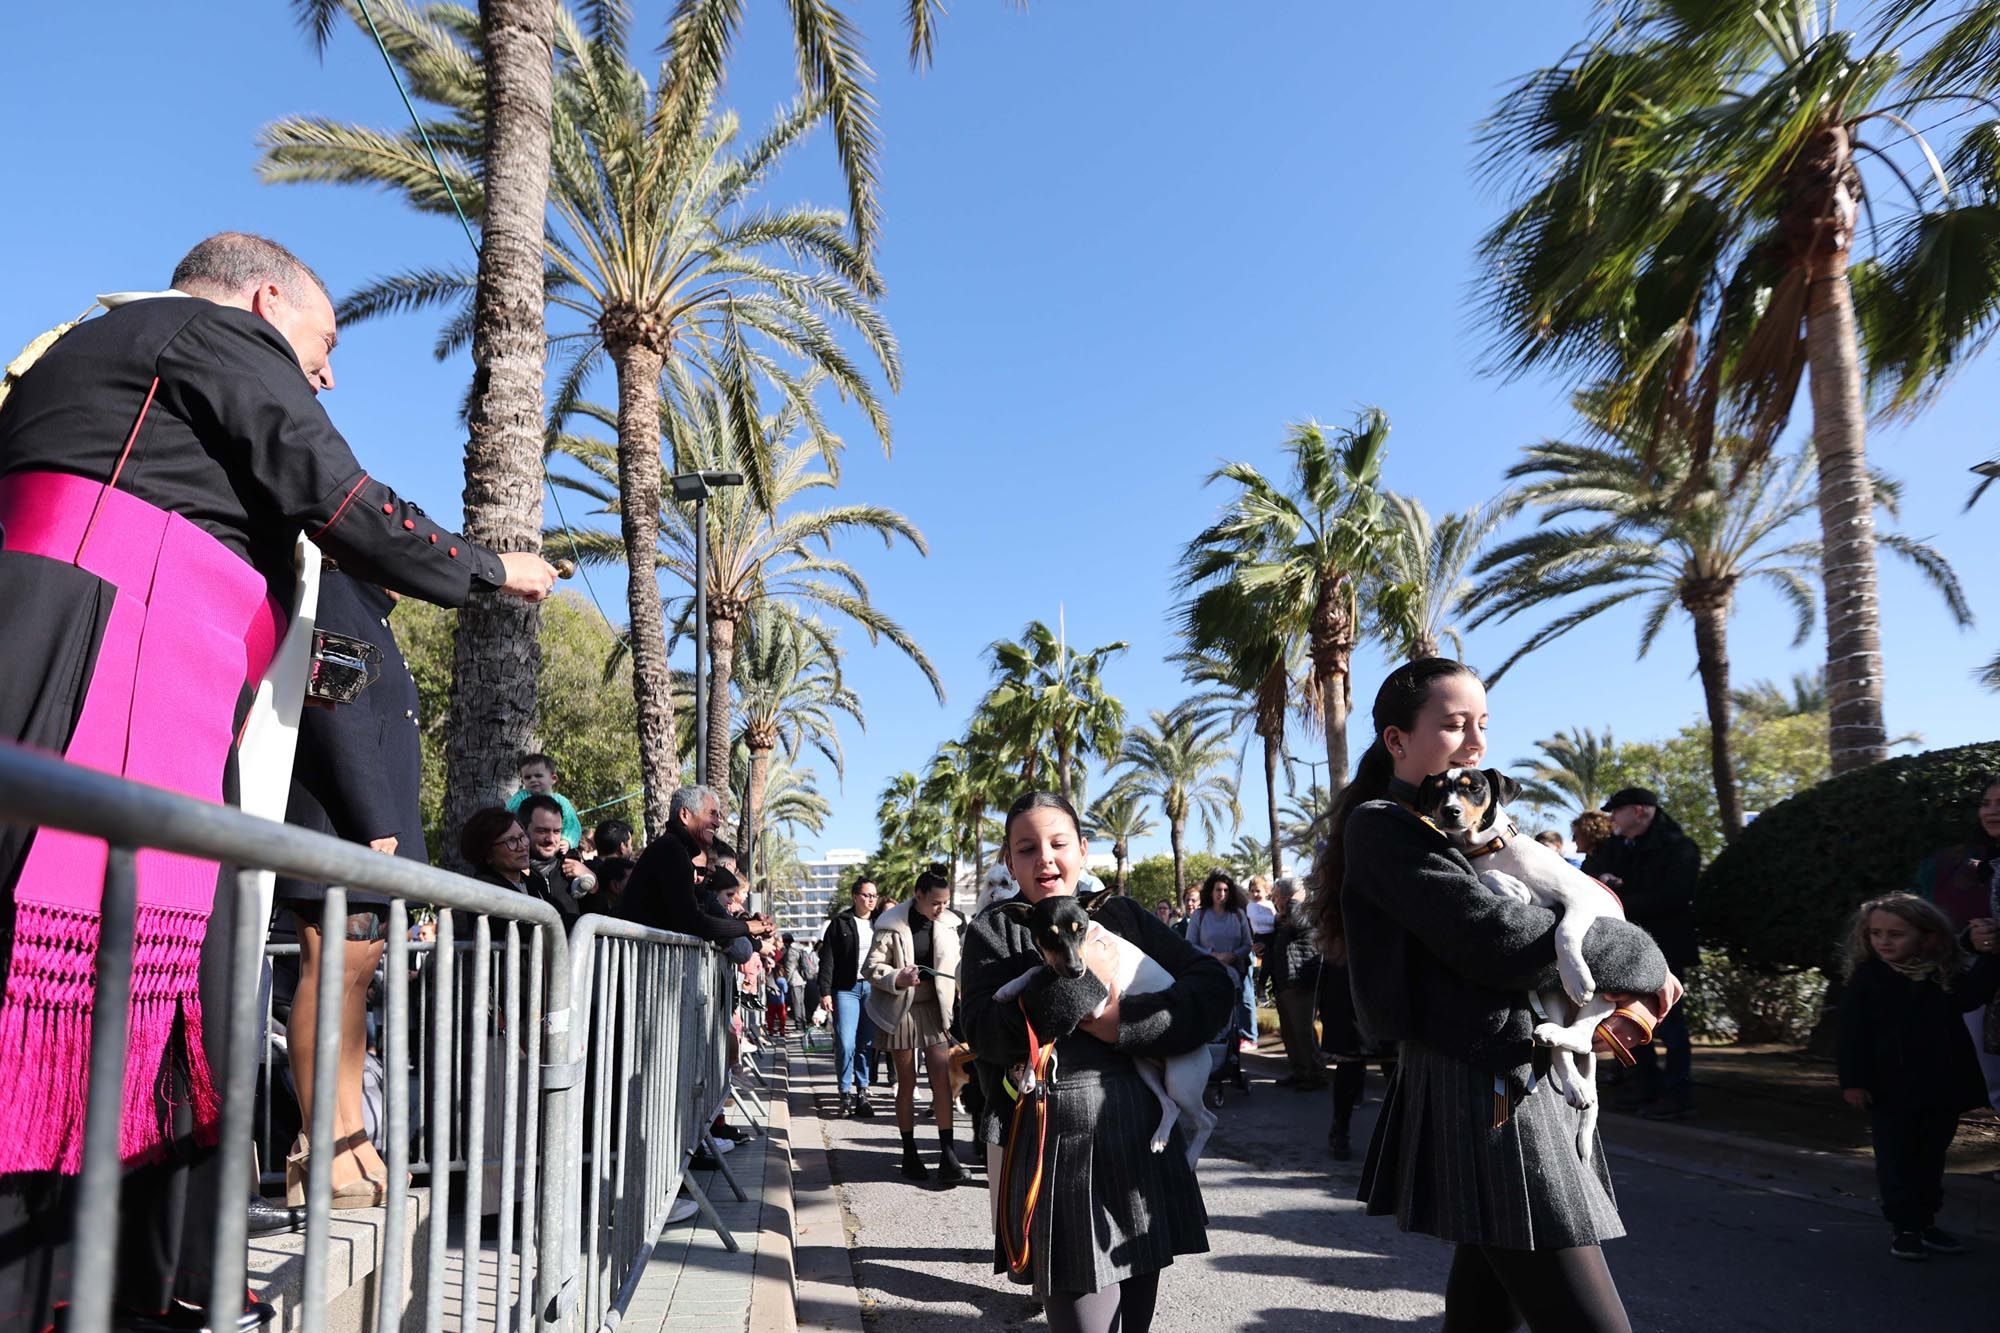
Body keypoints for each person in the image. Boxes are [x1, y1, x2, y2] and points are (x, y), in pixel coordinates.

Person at [0, 232, 556, 1333]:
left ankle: (143, 1284)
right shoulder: (211, 332)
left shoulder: (111, 351)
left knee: (182, 1011)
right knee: (70, 995)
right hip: (91, 683)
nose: (330, 372)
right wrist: (491, 566)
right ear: (265, 303)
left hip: (127, 693)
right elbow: (337, 492)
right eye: (325, 340)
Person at [1318, 657, 1682, 1332]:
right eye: (1454, 725)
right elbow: (1503, 941)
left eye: (1482, 723)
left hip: (1515, 1069)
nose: (1476, 740)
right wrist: (1644, 956)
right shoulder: (1387, 825)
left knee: (1488, 1304)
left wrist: (1623, 949)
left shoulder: (1458, 831)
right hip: (1486, 1080)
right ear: (1397, 740)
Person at [963, 793, 1233, 1333]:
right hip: (1056, 1144)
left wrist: (1125, 1026)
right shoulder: (994, 930)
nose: (1044, 858)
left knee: (1134, 1322)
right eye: (1026, 848)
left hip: (1138, 1136)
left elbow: (1211, 987)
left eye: (1059, 843)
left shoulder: (1121, 913)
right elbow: (986, 1035)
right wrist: (1084, 985)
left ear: (1083, 851)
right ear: (1009, 862)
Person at [274, 567, 425, 1209]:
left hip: (364, 837)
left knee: (355, 987)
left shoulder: (370, 613)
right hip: (341, 830)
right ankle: (317, 1144)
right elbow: (333, 706)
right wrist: (375, 819)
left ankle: (351, 1134)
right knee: (331, 977)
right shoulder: (340, 593)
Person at [1837, 893, 2000, 1260]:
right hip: (1888, 1089)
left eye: (1896, 933)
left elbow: (1972, 996)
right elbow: (1851, 1035)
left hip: (1938, 1085)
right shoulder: (1868, 979)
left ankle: (1926, 1222)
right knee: (1896, 1159)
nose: (1884, 942)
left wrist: (1991, 956)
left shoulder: (1941, 974)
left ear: (1926, 937)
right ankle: (1904, 1226)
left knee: (1930, 1157)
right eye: (1876, 933)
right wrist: (1854, 1081)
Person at [1582, 787, 1701, 1121]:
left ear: (1638, 811)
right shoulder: (1616, 848)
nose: (1611, 819)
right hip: (1625, 949)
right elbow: (1590, 881)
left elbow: (1673, 897)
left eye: (1616, 811)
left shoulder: (1679, 848)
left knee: (1671, 1023)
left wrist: (1620, 896)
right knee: (1630, 1018)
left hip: (1666, 950)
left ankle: (1679, 1094)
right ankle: (1643, 1086)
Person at [865, 866, 968, 1184]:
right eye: (935, 902)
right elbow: (870, 966)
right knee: (907, 1083)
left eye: (946, 902)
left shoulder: (950, 924)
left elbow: (958, 964)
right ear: (918, 896)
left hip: (936, 1010)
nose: (942, 908)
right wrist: (898, 977)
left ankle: (947, 1154)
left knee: (942, 1079)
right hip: (901, 1010)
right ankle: (910, 1154)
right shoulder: (890, 923)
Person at [1909, 775, 2000, 1111]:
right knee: (1995, 1081)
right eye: (1986, 803)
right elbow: (1940, 926)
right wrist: (1974, 939)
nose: (1990, 812)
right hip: (1983, 984)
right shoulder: (1957, 865)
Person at [617, 786, 774, 949]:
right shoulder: (671, 850)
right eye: (712, 814)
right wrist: (748, 927)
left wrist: (749, 924)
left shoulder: (676, 850)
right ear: (685, 815)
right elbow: (693, 921)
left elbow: (702, 910)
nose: (717, 823)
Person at [820, 879, 881, 1117]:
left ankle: (862, 1093)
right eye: (866, 895)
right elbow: (828, 959)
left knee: (866, 1044)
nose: (870, 900)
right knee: (846, 1042)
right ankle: (844, 1093)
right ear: (855, 896)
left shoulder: (880, 923)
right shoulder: (840, 923)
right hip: (846, 989)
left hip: (873, 989)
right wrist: (825, 991)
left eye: (874, 895)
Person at [1186, 870, 1257, 1063]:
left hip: (1233, 973)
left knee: (1230, 1015)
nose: (1222, 894)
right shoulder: (1200, 916)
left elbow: (1247, 944)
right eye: (1218, 890)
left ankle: (1230, 1053)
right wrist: (1213, 955)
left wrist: (1232, 955)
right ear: (1210, 891)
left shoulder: (1238, 915)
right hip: (1206, 973)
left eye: (1226, 890)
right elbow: (1190, 944)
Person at [1265, 877, 1326, 1092]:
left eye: (1276, 895)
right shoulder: (1283, 918)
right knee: (1290, 1031)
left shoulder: (1302, 910)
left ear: (1285, 896)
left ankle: (1316, 1074)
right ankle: (1300, 1071)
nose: (1273, 900)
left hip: (1301, 980)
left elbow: (1301, 925)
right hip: (1284, 981)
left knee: (1302, 1030)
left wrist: (1292, 901)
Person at [506, 752, 582, 850]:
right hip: (524, 848)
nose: (532, 780)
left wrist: (567, 841)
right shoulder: (518, 799)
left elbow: (573, 826)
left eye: (538, 776)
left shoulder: (562, 802)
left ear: (553, 778)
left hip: (553, 849)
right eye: (527, 777)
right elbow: (508, 820)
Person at [1245, 874, 1278, 1005]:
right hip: (1261, 936)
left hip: (1273, 935)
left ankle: (1273, 989)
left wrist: (1276, 919)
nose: (1255, 894)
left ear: (1266, 891)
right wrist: (1274, 919)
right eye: (1252, 891)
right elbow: (1257, 919)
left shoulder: (1269, 904)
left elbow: (1276, 918)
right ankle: (1261, 984)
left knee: (1274, 961)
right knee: (1268, 959)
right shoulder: (1251, 906)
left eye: (1258, 890)